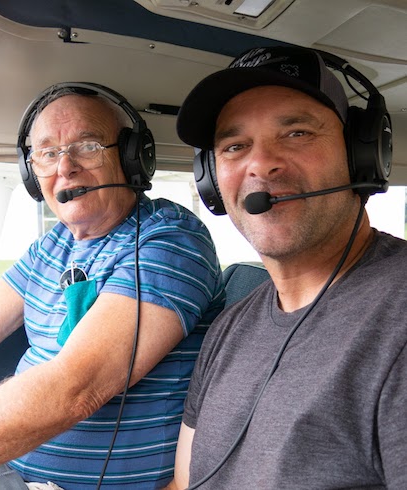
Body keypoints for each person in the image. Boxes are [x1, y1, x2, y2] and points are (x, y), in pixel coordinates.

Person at [0, 83, 224, 489]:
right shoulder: (53, 244)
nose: (65, 167)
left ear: (133, 158)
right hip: (7, 469)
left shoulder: (170, 239)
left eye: (88, 146)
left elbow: (77, 387)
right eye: (47, 154)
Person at [167, 45, 407, 489]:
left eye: (296, 133)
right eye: (235, 146)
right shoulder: (230, 327)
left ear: (363, 154)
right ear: (212, 181)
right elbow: (184, 483)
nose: (260, 164)